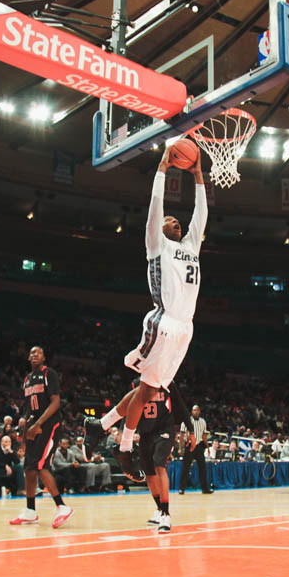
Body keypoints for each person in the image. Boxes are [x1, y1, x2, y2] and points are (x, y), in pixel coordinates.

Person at [84, 147, 206, 481]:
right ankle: (122, 448)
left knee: (151, 391)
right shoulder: (157, 244)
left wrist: (198, 176)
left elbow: (201, 214)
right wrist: (163, 169)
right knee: (146, 388)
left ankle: (101, 425)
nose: (174, 220)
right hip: (162, 322)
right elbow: (156, 208)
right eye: (170, 220)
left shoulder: (191, 246)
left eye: (175, 219)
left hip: (184, 329)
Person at [9, 346, 72, 528]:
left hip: (50, 425)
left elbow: (56, 402)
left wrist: (38, 424)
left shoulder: (49, 374)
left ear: (44, 357)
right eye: (31, 353)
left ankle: (62, 506)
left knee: (40, 465)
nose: (33, 355)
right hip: (33, 426)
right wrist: (23, 438)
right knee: (28, 468)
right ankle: (30, 511)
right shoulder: (27, 380)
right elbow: (28, 411)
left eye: (37, 353)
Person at [139, 381, 193, 533]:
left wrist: (191, 431)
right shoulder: (136, 384)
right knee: (149, 473)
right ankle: (159, 509)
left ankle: (166, 514)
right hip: (145, 433)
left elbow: (181, 406)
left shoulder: (167, 381)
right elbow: (130, 407)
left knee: (159, 465)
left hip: (164, 430)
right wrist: (126, 430)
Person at [179, 404, 213, 494]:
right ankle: (181, 488)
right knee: (185, 468)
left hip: (199, 446)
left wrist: (208, 447)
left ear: (200, 411)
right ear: (191, 411)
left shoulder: (203, 421)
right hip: (189, 446)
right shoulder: (186, 421)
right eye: (194, 410)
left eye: (197, 410)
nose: (196, 412)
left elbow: (204, 435)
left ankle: (205, 489)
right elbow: (182, 435)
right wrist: (180, 448)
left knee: (202, 468)